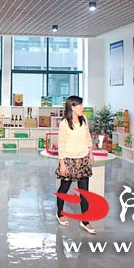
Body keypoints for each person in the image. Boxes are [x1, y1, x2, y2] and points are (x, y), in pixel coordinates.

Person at [55, 95, 96, 234]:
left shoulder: (83, 119)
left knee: (84, 191)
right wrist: (62, 164)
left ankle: (85, 221)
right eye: (80, 105)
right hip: (69, 159)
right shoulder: (64, 124)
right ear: (72, 107)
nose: (82, 108)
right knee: (64, 188)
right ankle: (60, 213)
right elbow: (61, 144)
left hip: (83, 158)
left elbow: (87, 136)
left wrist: (91, 152)